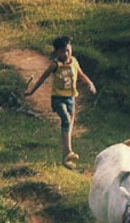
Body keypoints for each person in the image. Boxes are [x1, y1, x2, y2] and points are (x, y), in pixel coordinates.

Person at [25, 36, 97, 167]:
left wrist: (90, 83)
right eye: (63, 51)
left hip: (71, 99)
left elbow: (81, 74)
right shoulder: (55, 65)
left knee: (69, 125)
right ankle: (69, 151)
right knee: (66, 120)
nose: (66, 54)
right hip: (58, 99)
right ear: (57, 52)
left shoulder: (74, 61)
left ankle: (66, 159)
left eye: (68, 50)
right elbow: (42, 78)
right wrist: (31, 91)